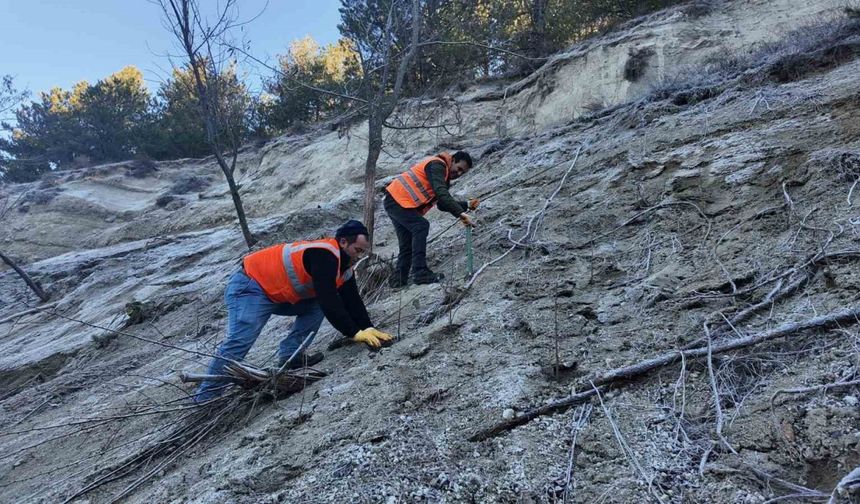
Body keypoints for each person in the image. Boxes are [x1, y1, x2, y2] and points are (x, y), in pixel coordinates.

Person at [194, 220, 392, 402]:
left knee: (315, 306)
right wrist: (353, 332)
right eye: (357, 250)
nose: (359, 256)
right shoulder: (324, 255)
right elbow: (329, 299)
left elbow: (352, 301)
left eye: (363, 252)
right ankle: (205, 398)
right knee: (240, 340)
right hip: (251, 287)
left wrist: (368, 327)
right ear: (343, 242)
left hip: (278, 294)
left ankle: (292, 356)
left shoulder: (344, 266)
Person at [383, 151, 478, 287]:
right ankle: (420, 272)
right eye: (459, 169)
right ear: (453, 160)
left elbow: (441, 204)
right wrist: (460, 214)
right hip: (398, 201)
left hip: (396, 201)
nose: (459, 174)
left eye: (462, 173)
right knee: (420, 226)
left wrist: (466, 205)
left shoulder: (442, 174)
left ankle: (398, 280)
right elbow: (441, 194)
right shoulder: (437, 165)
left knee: (407, 243)